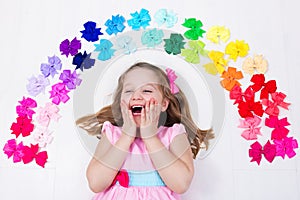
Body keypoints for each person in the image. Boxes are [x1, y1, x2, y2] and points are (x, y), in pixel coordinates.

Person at [76, 62, 214, 199]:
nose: (136, 96)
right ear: (121, 103)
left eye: (147, 90)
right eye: (129, 91)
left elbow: (181, 184)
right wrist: (126, 136)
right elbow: (95, 183)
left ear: (164, 104)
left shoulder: (174, 135)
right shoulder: (112, 134)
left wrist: (150, 137)